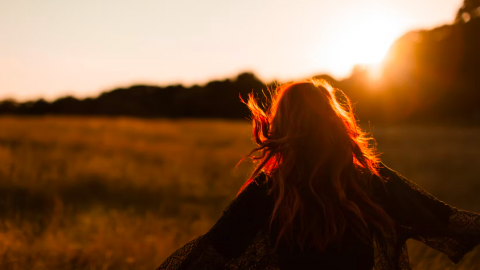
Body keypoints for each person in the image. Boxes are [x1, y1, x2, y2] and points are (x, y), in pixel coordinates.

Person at [157, 80, 480, 270]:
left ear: (281, 125)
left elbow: (210, 253)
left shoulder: (268, 189)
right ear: (334, 121)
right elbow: (445, 220)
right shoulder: (369, 178)